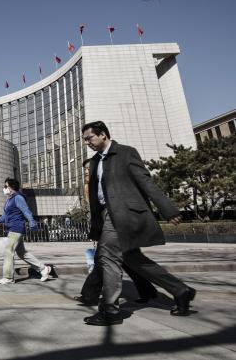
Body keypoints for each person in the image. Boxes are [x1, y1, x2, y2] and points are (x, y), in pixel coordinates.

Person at [82, 121, 196, 326]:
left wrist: (168, 209)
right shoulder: (95, 161)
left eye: (89, 138)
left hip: (125, 214)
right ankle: (181, 290)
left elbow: (146, 182)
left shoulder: (125, 153)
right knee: (132, 259)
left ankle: (110, 310)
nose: (87, 143)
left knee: (108, 257)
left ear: (103, 135)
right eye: (85, 140)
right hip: (107, 215)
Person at [75, 158, 158, 306]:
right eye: (85, 170)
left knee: (102, 259)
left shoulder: (105, 183)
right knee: (130, 261)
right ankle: (148, 290)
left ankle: (90, 295)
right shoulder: (89, 186)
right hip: (106, 228)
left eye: (89, 168)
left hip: (117, 226)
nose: (87, 172)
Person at [0, 178, 52, 284]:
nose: (4, 188)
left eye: (6, 186)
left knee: (8, 251)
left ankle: (8, 277)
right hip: (12, 228)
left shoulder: (18, 197)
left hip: (16, 228)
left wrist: (32, 223)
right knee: (22, 253)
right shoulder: (9, 200)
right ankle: (44, 269)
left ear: (12, 187)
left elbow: (26, 211)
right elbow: (6, 215)